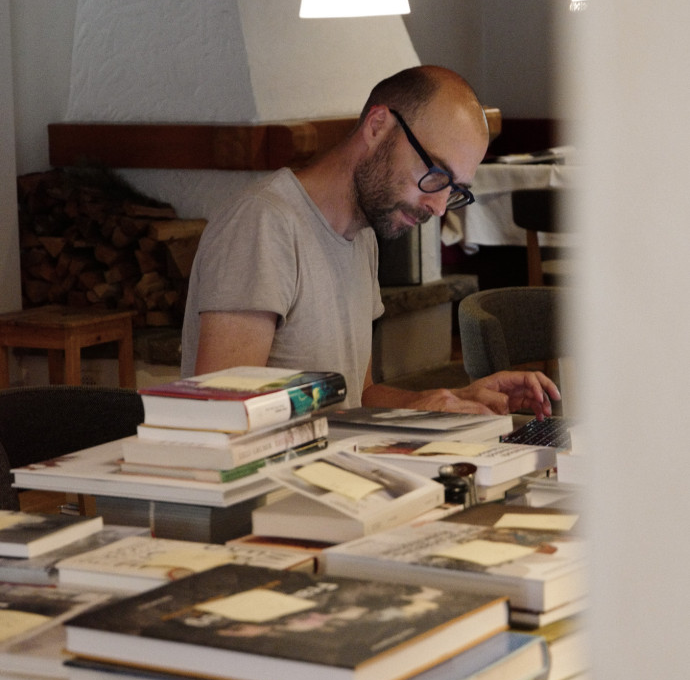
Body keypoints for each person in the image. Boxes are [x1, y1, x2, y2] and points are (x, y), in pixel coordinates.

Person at [181, 65, 559, 418]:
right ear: (377, 126)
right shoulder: (262, 224)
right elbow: (221, 413)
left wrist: (449, 401)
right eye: (436, 173)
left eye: (455, 189)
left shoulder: (364, 235)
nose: (440, 207)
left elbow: (359, 397)